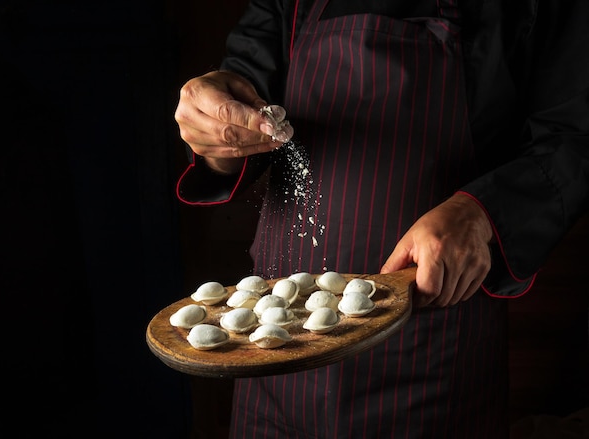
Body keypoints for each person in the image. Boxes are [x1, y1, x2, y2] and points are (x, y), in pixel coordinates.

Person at [174, 0, 589, 437]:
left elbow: (574, 137)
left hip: (432, 344)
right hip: (275, 343)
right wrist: (214, 128)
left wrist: (479, 212)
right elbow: (243, 108)